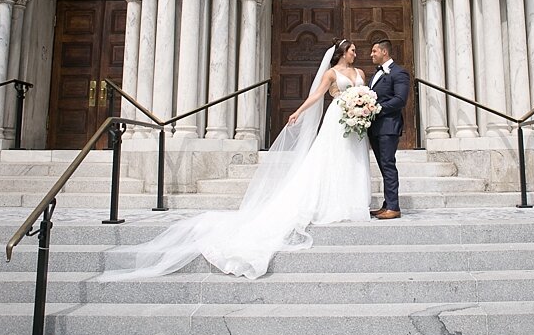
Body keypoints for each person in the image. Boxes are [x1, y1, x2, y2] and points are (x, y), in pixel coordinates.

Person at [99, 39, 371, 281]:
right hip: (337, 120)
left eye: (356, 50)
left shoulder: (359, 73)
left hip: (356, 123)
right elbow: (317, 96)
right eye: (352, 50)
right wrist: (298, 112)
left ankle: (351, 201)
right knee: (330, 160)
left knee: (352, 161)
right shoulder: (331, 73)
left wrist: (366, 106)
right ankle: (330, 202)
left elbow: (366, 92)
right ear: (341, 53)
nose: (356, 53)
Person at [368, 38, 410, 220]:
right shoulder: (377, 73)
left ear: (384, 52)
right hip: (376, 128)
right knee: (383, 165)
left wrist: (377, 108)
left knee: (388, 165)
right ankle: (387, 204)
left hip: (388, 126)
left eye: (374, 51)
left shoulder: (399, 73)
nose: (371, 55)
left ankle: (394, 207)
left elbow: (400, 100)